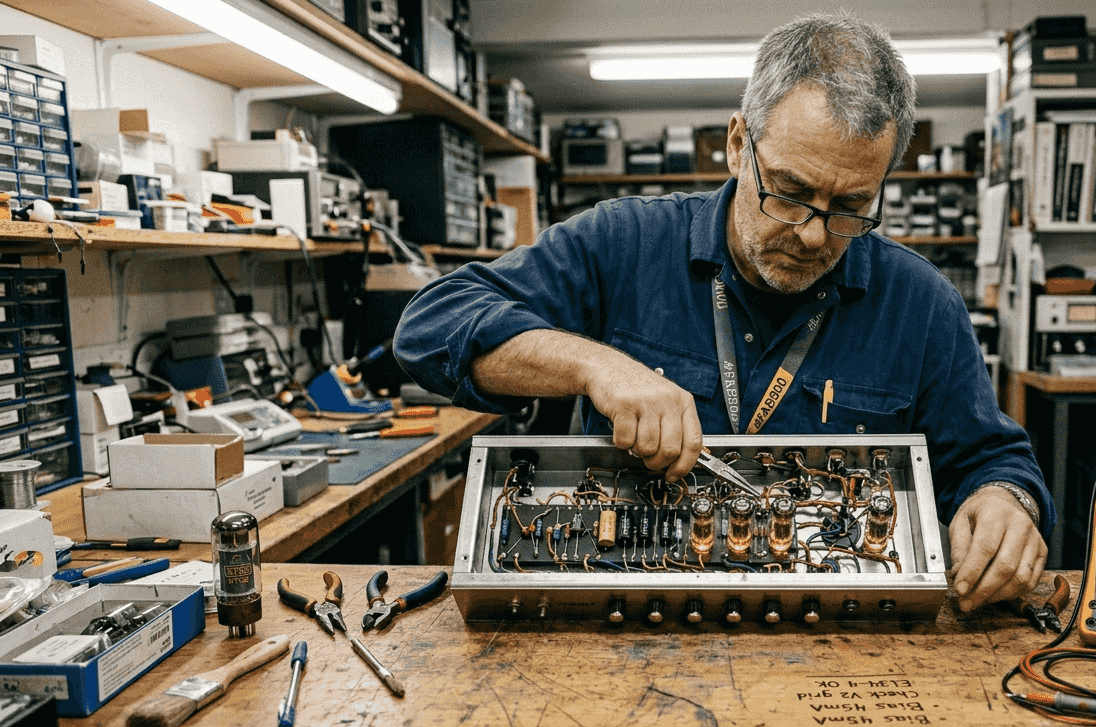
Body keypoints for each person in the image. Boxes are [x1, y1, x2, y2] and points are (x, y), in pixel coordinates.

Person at [395, 11, 1053, 612]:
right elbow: (430, 327)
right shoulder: (623, 243)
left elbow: (992, 457)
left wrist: (1004, 502)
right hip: (628, 617)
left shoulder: (921, 302)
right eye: (790, 194)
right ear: (739, 144)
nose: (815, 235)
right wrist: (594, 365)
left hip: (837, 636)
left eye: (851, 206)